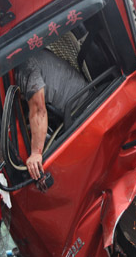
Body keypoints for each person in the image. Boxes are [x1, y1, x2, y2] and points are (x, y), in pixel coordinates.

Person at [15, 49, 88, 179]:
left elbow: (38, 109)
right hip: (74, 103)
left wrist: (36, 153)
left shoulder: (24, 66)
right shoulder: (24, 56)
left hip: (82, 108)